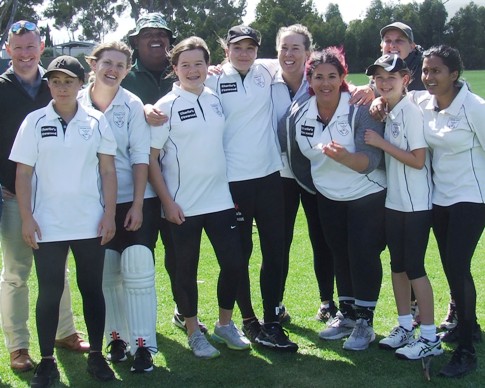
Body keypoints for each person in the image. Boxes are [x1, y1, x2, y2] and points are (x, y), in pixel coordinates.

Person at [10, 55, 117, 386]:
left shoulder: (97, 121)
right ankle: (46, 361)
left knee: (91, 290)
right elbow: (23, 174)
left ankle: (97, 357)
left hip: (89, 222)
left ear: (80, 84)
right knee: (50, 292)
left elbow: (108, 170)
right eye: (55, 81)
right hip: (48, 225)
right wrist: (27, 219)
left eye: (68, 81)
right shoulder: (34, 121)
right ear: (49, 84)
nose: (61, 87)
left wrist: (110, 214)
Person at [149, 36, 250, 359]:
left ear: (209, 66)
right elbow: (151, 159)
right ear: (174, 68)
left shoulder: (215, 97)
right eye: (185, 65)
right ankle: (193, 329)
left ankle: (224, 324)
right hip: (183, 206)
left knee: (235, 262)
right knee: (185, 271)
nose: (193, 70)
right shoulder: (165, 108)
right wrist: (167, 202)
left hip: (220, 200)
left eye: (199, 64)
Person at [0, 20, 89, 373]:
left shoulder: (57, 83)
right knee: (16, 273)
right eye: (18, 47)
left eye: (30, 46)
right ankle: (18, 346)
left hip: (54, 197)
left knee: (58, 271)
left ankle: (64, 332)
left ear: (42, 47)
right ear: (8, 50)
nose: (25, 54)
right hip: (11, 195)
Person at [204, 25, 298, 352]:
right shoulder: (212, 79)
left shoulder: (267, 71)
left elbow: (296, 59)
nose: (244, 53)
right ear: (226, 48)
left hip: (270, 177)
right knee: (239, 254)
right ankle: (247, 320)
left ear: (258, 50)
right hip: (232, 182)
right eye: (237, 47)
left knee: (275, 250)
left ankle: (272, 319)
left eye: (250, 47)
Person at [289, 47, 386, 351]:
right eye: (319, 77)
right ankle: (346, 313)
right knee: (338, 253)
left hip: (365, 193)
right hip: (328, 197)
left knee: (362, 253)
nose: (325, 83)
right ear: (310, 80)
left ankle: (365, 322)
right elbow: (297, 157)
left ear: (344, 77)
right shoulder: (300, 111)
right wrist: (316, 186)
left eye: (333, 76)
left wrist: (345, 158)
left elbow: (371, 160)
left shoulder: (358, 108)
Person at [122, 12, 207, 333]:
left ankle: (182, 311)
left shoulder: (186, 72)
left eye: (162, 33)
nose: (155, 38)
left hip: (176, 187)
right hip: (136, 187)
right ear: (136, 42)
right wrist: (142, 108)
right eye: (147, 34)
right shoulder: (126, 77)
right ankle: (135, 322)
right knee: (139, 256)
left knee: (179, 257)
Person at [80, 41, 159, 373]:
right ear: (93, 64)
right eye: (107, 63)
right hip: (93, 203)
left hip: (134, 198)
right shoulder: (76, 103)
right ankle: (117, 338)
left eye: (120, 65)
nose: (112, 70)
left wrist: (138, 205)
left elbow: (141, 157)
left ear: (128, 70)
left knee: (138, 266)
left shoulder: (132, 104)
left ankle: (144, 347)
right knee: (108, 272)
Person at [363, 54, 442, 360]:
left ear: (405, 80)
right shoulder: (390, 109)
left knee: (415, 268)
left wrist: (381, 144)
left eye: (391, 78)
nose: (384, 83)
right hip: (395, 203)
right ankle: (405, 326)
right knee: (397, 267)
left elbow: (418, 160)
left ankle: (430, 337)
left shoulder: (410, 111)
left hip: (416, 206)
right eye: (379, 78)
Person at [273, 24, 336, 323]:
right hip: (278, 175)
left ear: (307, 53)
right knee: (279, 241)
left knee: (322, 237)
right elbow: (232, 65)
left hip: (314, 171)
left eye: (296, 48)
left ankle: (327, 301)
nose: (289, 53)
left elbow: (346, 89)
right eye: (284, 47)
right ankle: (276, 304)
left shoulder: (317, 82)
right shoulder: (263, 77)